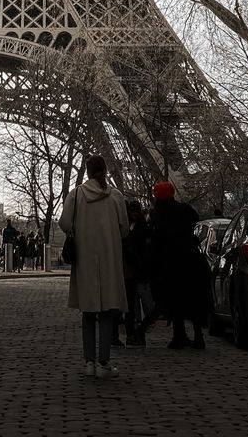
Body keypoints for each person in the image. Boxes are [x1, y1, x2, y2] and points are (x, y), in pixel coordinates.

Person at [59, 154, 129, 380]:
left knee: (88, 313)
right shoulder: (116, 196)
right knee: (108, 312)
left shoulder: (76, 194)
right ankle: (104, 361)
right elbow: (125, 230)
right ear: (105, 170)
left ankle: (88, 361)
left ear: (87, 171)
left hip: (86, 259)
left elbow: (64, 223)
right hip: (109, 259)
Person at [145, 181, 210, 349]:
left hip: (170, 263)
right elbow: (195, 218)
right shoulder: (184, 209)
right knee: (194, 298)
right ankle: (198, 335)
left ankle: (179, 335)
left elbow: (156, 241)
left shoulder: (158, 216)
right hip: (191, 259)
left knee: (174, 300)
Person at [122, 200, 153, 347]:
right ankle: (134, 333)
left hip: (137, 270)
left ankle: (138, 331)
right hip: (133, 270)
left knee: (141, 302)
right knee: (132, 304)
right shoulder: (135, 226)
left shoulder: (139, 227)